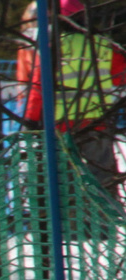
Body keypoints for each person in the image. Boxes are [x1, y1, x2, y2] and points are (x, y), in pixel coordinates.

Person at [16, 0, 125, 196]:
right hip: (97, 125)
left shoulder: (51, 49)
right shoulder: (104, 45)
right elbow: (122, 78)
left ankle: (72, 222)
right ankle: (104, 222)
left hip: (60, 128)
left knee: (62, 186)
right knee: (103, 183)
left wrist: (30, 120)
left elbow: (38, 89)